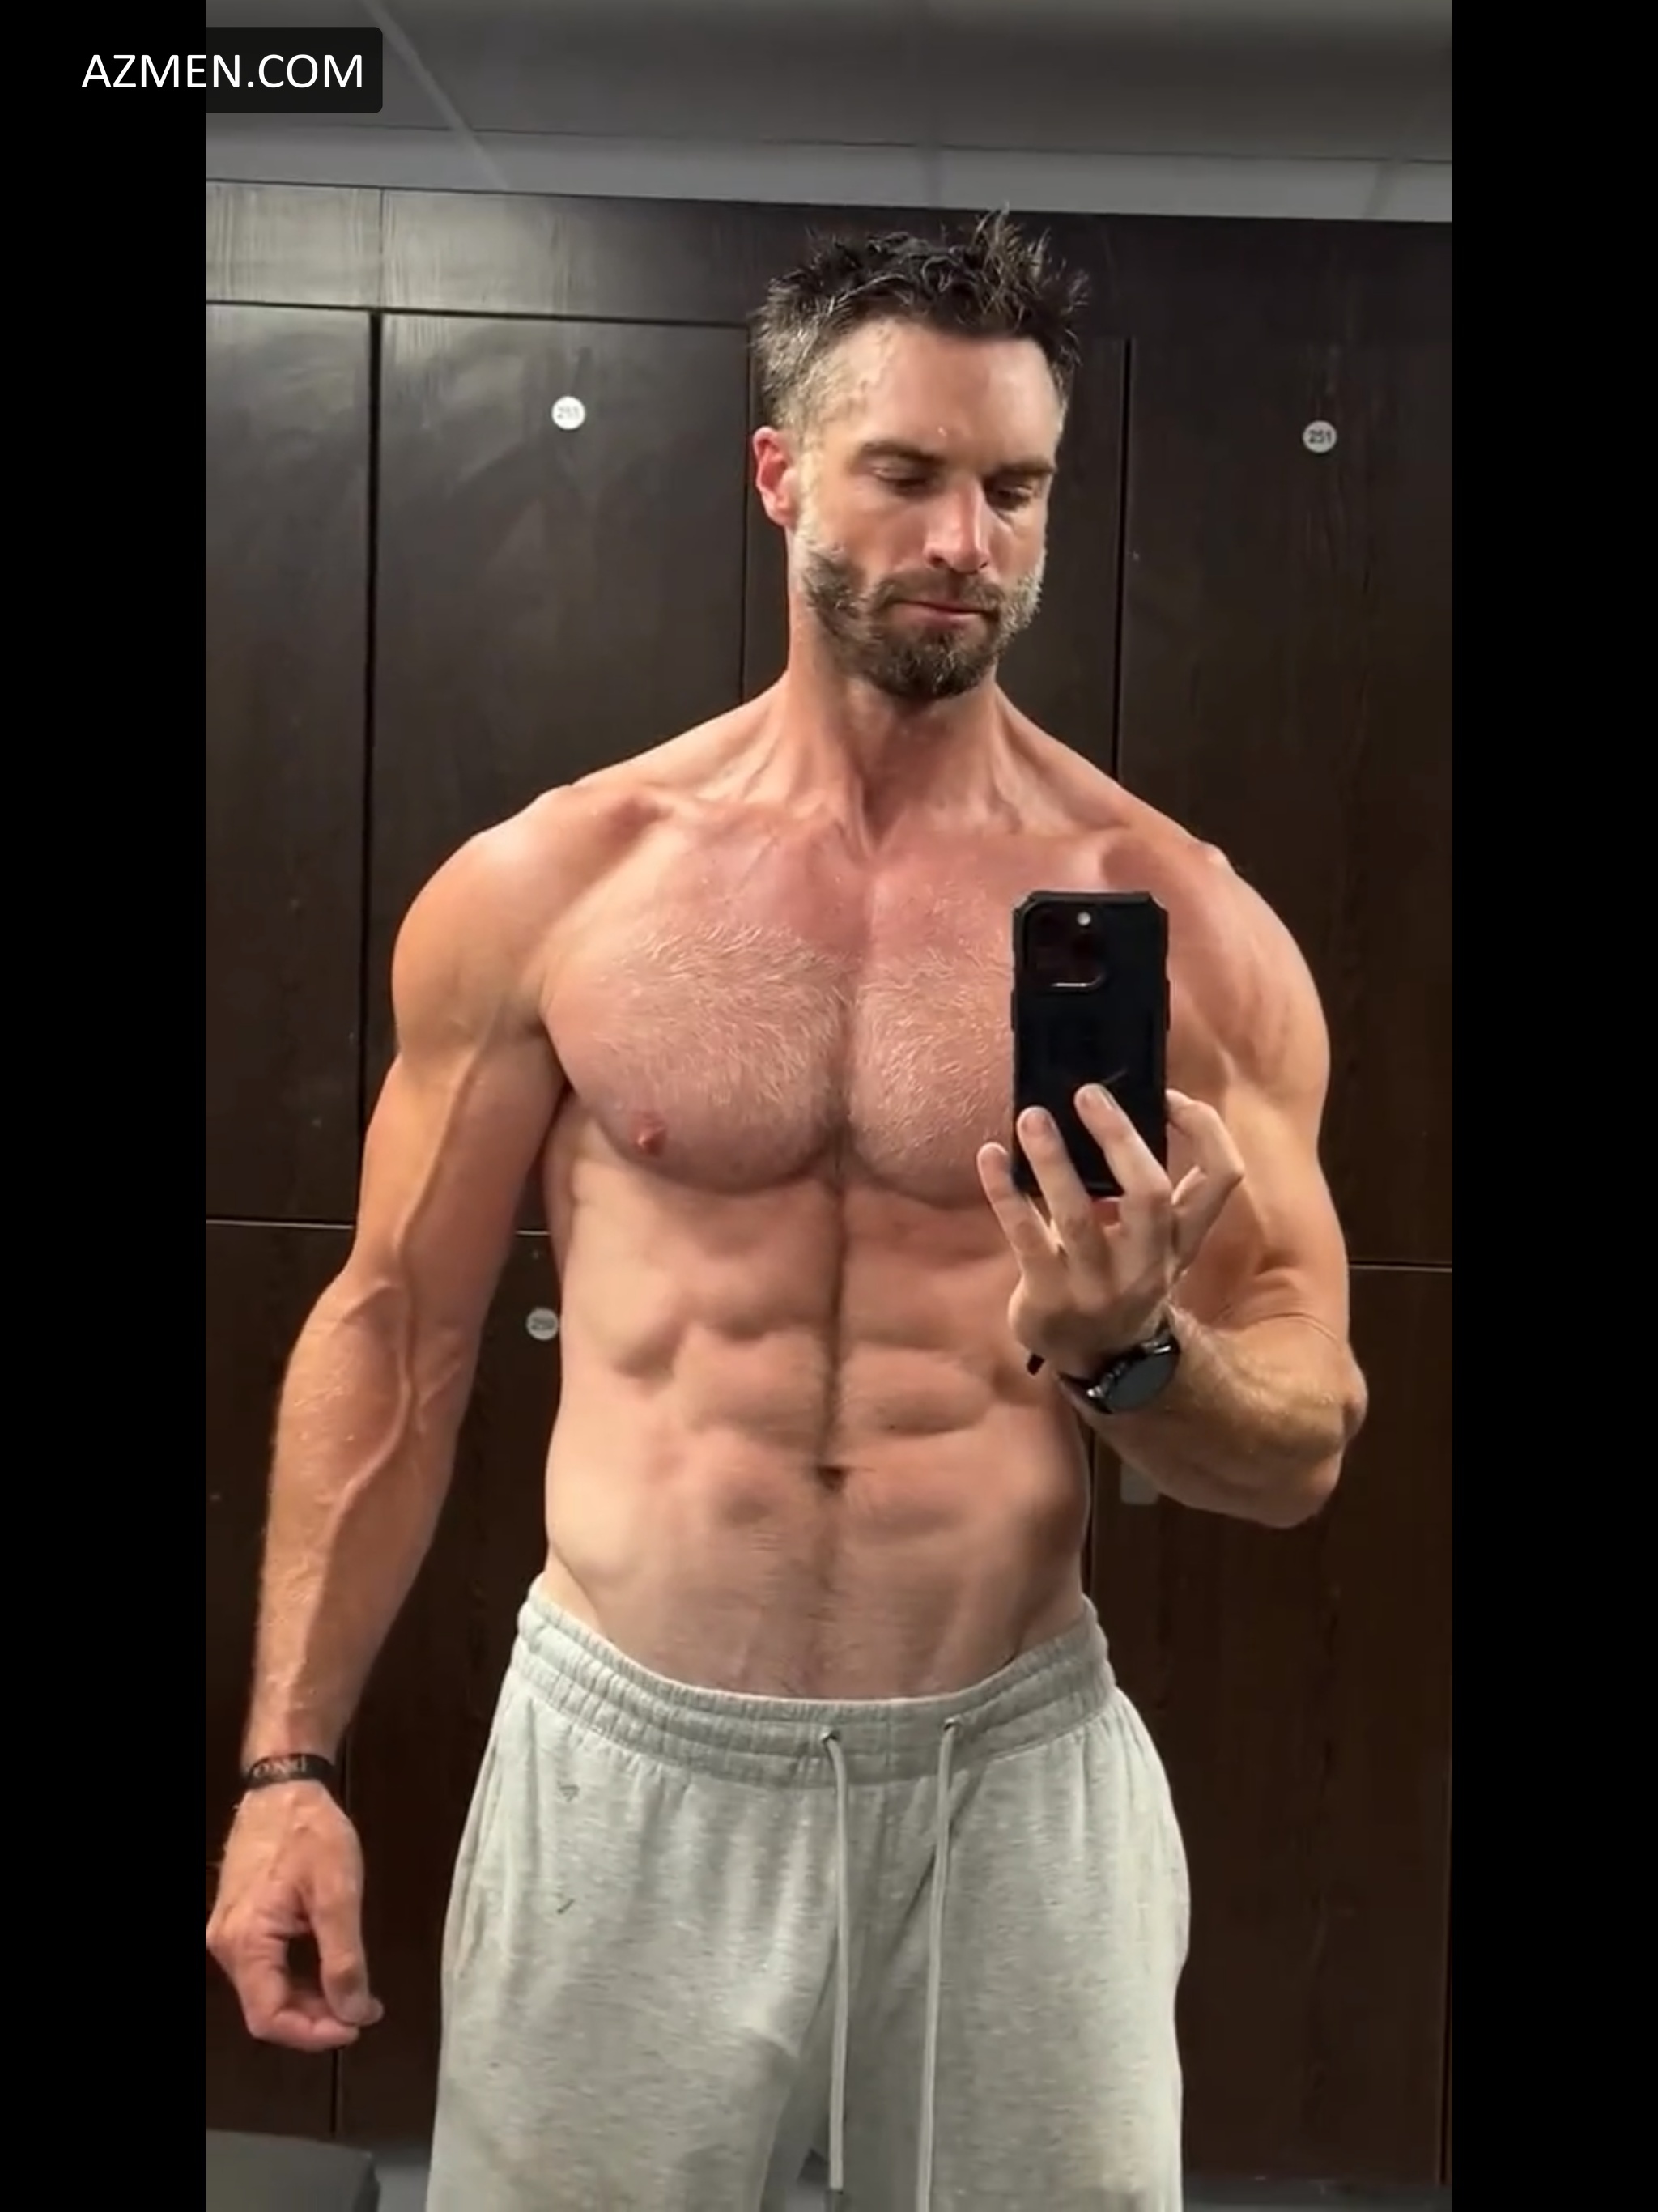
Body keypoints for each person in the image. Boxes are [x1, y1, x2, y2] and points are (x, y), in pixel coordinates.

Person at [206, 215, 1367, 2212]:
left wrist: (1135, 1358)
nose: (964, 541)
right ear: (779, 474)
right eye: (903, 472)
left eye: (1013, 487)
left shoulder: (1187, 924)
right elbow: (396, 1335)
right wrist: (286, 1767)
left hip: (1005, 1776)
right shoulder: (559, 886)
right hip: (626, 1763)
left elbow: (1301, 1444)